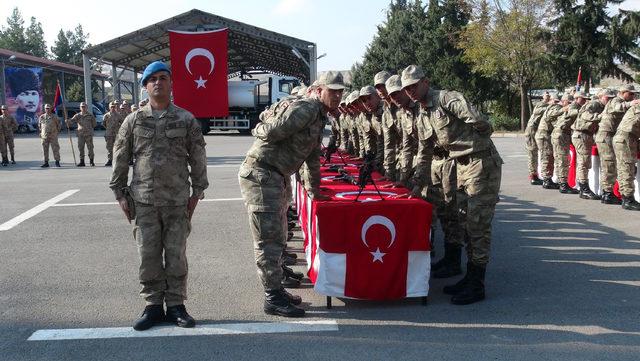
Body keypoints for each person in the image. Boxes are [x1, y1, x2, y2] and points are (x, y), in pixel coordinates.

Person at [109, 61, 209, 331]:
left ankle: (176, 305)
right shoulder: (133, 120)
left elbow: (198, 157)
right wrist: (119, 193)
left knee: (176, 255)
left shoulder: (186, 119)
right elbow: (120, 156)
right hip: (144, 200)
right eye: (152, 79)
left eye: (163, 78)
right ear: (145, 87)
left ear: (170, 83)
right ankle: (153, 306)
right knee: (148, 255)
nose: (158, 83)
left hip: (177, 200)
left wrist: (197, 192)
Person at [238, 71, 343, 318]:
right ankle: (272, 298)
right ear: (319, 90)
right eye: (332, 90)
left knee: (278, 236)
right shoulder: (306, 109)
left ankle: (277, 290)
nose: (337, 95)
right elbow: (272, 131)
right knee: (268, 241)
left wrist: (315, 192)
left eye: (340, 91)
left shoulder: (318, 116)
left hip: (276, 175)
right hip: (262, 174)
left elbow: (312, 158)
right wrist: (260, 128)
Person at [400, 64, 502, 305]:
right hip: (460, 168)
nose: (411, 91)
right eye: (407, 89)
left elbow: (481, 122)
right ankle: (470, 276)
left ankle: (477, 284)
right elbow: (423, 153)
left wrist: (474, 144)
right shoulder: (423, 114)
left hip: (480, 163)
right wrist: (416, 184)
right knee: (465, 220)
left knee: (477, 223)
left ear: (425, 81)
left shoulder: (447, 99)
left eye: (414, 86)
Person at [595, 84, 639, 204]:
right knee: (610, 165)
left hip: (612, 135)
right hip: (606, 135)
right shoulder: (615, 100)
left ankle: (607, 193)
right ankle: (609, 193)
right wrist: (631, 104)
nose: (633, 96)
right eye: (630, 93)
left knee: (613, 165)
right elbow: (617, 107)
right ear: (623, 92)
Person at [572, 89, 614, 200]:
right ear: (601, 97)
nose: (609, 100)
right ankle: (584, 189)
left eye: (611, 98)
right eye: (607, 97)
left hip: (587, 134)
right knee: (584, 162)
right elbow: (584, 114)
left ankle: (582, 188)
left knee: (584, 162)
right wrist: (600, 117)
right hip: (582, 134)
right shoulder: (594, 103)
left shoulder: (603, 106)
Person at [551, 93, 586, 194]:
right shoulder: (574, 105)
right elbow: (571, 112)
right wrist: (581, 111)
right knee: (563, 159)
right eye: (582, 99)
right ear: (576, 99)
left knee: (559, 159)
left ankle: (561, 182)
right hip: (561, 134)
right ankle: (563, 184)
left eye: (585, 99)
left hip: (560, 133)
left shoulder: (575, 105)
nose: (584, 101)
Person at [613, 104, 640, 211]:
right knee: (627, 169)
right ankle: (628, 199)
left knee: (624, 169)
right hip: (626, 139)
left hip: (623, 138)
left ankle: (625, 197)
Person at [535, 94, 563, 189]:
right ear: (550, 101)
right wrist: (564, 109)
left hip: (546, 134)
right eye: (554, 101)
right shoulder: (551, 109)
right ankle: (546, 180)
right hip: (543, 134)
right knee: (546, 156)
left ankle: (548, 179)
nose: (556, 103)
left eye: (557, 101)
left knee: (549, 157)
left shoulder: (553, 108)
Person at [524, 92, 550, 185]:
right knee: (532, 152)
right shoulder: (540, 105)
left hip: (537, 130)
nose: (548, 97)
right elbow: (538, 111)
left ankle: (535, 175)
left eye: (549, 96)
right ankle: (533, 176)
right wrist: (549, 105)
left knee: (537, 153)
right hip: (531, 130)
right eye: (546, 96)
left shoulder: (547, 105)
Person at [67, 102, 96, 166]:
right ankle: (82, 162)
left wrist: (88, 129)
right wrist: (67, 121)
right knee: (81, 148)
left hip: (88, 135)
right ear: (80, 108)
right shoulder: (77, 115)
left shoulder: (90, 115)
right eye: (82, 107)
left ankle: (91, 161)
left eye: (84, 106)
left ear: (87, 107)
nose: (83, 108)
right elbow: (71, 121)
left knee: (90, 148)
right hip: (80, 135)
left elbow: (94, 124)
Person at [103, 101, 124, 166]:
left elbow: (123, 123)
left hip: (116, 134)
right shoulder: (106, 115)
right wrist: (108, 129)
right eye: (111, 107)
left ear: (115, 107)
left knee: (117, 147)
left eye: (113, 107)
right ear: (109, 107)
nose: (112, 108)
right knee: (109, 147)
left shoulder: (118, 115)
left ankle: (117, 160)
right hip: (109, 134)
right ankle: (110, 160)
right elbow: (104, 124)